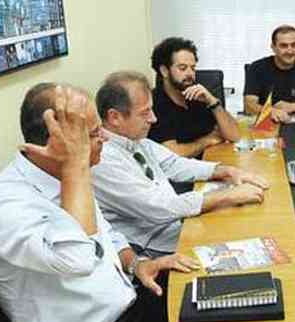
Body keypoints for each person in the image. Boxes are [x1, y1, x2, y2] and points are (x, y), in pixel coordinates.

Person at [0, 83, 200, 322]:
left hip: (129, 309)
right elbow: (79, 259)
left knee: (223, 316)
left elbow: (107, 235)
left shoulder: (65, 176)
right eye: (94, 134)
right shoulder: (4, 206)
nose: (105, 137)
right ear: (54, 142)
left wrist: (136, 264)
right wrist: (75, 167)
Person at [92, 71, 269, 257]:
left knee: (247, 221)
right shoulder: (103, 158)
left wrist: (227, 171)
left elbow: (175, 164)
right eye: (145, 113)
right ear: (114, 117)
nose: (153, 119)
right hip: (152, 247)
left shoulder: (137, 141)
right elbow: (161, 208)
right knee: (243, 237)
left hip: (174, 226)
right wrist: (227, 196)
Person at [148, 37, 240, 158]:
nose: (190, 74)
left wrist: (213, 102)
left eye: (193, 68)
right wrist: (206, 141)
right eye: (182, 68)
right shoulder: (154, 103)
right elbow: (172, 154)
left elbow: (234, 135)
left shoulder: (196, 95)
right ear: (164, 71)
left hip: (212, 162)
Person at [244, 24, 295, 123]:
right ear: (273, 47)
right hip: (267, 124)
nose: (290, 50)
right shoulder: (257, 68)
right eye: (283, 46)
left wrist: (292, 107)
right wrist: (271, 111)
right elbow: (249, 106)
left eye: (294, 45)